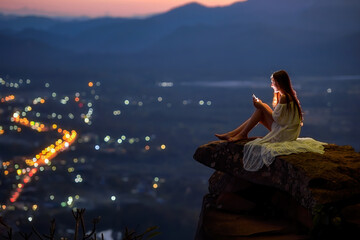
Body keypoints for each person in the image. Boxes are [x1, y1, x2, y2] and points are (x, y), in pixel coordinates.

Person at [215, 70, 326, 171]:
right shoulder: (288, 96)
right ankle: (234, 134)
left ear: (278, 82)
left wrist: (261, 106)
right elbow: (280, 119)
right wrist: (262, 106)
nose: (271, 85)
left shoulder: (284, 97)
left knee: (261, 110)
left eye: (273, 82)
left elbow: (277, 119)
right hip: (287, 131)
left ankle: (240, 134)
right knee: (261, 110)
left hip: (285, 133)